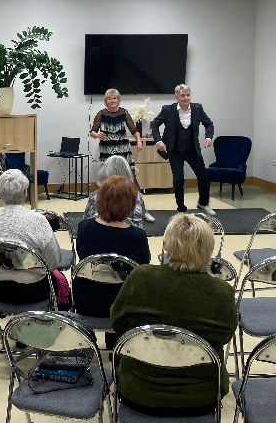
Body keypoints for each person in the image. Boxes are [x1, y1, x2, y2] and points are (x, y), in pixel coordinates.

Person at [110, 213, 236, 417]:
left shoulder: (140, 278)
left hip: (137, 390)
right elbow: (225, 336)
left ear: (167, 244)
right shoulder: (222, 293)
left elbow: (117, 322)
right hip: (199, 398)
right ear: (209, 249)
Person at [0, 169, 66, 307]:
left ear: (0, 193)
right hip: (33, 291)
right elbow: (53, 262)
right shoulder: (38, 220)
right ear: (25, 193)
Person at [75, 175, 151, 318]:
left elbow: (82, 256)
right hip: (124, 304)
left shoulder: (84, 228)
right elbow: (142, 267)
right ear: (131, 204)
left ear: (100, 200)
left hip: (86, 298)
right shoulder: (138, 235)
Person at [90, 88, 154, 222]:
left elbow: (134, 130)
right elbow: (92, 132)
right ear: (106, 101)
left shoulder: (124, 112)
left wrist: (139, 141)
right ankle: (99, 210)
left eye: (115, 98)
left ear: (118, 100)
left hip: (124, 150)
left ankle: (143, 210)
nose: (112, 100)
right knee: (105, 182)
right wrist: (97, 135)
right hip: (107, 151)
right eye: (109, 98)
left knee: (132, 180)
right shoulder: (101, 114)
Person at [151, 84, 215, 215]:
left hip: (193, 150)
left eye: (188, 95)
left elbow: (209, 124)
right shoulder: (167, 110)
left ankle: (203, 203)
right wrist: (158, 141)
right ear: (177, 97)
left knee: (203, 177)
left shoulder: (197, 108)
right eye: (182, 95)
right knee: (178, 180)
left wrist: (208, 137)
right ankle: (181, 208)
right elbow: (155, 124)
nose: (186, 98)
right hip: (175, 151)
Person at [84, 155, 150, 228]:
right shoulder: (137, 197)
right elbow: (138, 228)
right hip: (129, 233)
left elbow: (86, 223)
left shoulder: (95, 196)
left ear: (103, 174)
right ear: (128, 173)